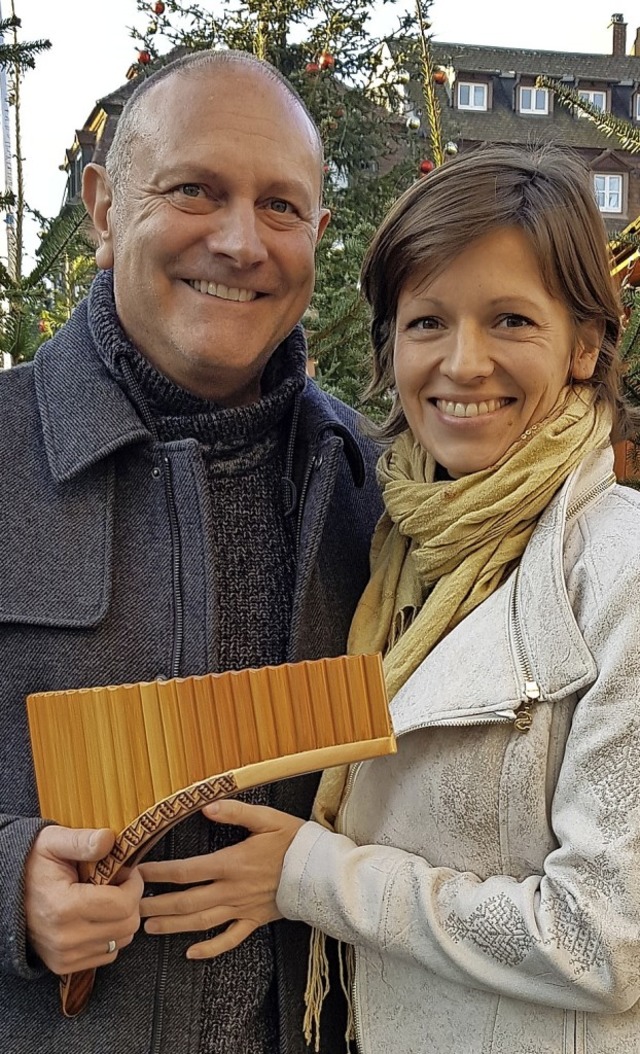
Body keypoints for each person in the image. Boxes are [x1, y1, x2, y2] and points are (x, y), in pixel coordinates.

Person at [141, 144, 640, 1053]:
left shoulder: (620, 569)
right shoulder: (397, 540)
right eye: (426, 322)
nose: (463, 363)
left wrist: (313, 876)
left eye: (512, 320)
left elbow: (602, 942)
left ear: (588, 344)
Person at [0, 50, 382, 1054]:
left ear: (317, 233)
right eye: (194, 190)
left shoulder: (376, 488)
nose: (239, 241)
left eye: (281, 207)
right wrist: (9, 887)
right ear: (102, 206)